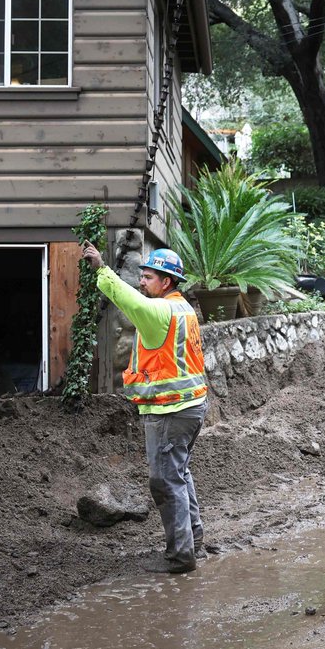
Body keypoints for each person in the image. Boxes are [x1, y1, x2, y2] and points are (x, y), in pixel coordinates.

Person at [82, 242, 209, 574]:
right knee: (179, 474)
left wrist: (101, 268)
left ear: (166, 282)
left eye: (148, 277)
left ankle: (181, 556)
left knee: (165, 482)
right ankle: (193, 540)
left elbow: (128, 300)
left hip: (170, 410)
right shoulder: (184, 310)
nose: (142, 282)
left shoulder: (159, 313)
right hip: (192, 406)